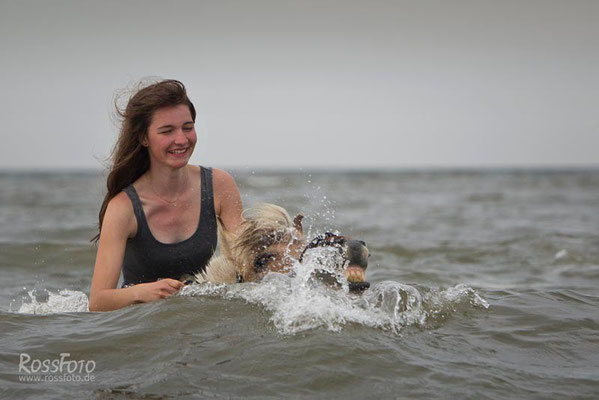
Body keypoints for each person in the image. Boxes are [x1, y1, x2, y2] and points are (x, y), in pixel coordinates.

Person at [89, 80, 242, 311]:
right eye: (167, 131)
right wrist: (143, 291)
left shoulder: (219, 185)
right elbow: (98, 302)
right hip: (139, 326)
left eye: (187, 127)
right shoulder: (123, 208)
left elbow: (247, 258)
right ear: (144, 138)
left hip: (199, 320)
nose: (181, 139)